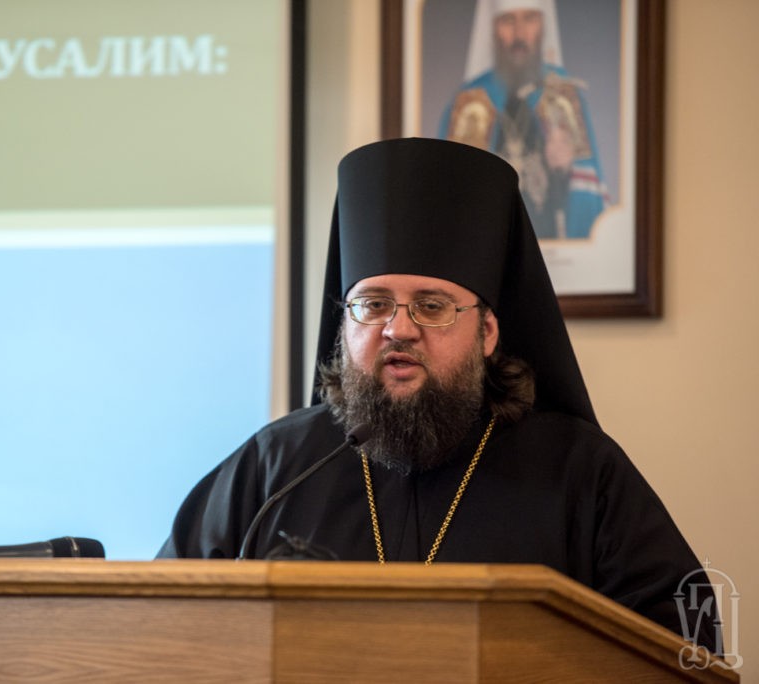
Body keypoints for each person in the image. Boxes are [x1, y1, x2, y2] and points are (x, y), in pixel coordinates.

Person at [157, 137, 718, 654]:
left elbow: (684, 641)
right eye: (373, 305)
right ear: (345, 323)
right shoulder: (279, 467)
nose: (398, 329)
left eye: (431, 306)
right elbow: (162, 618)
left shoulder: (578, 470)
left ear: (487, 333)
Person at [437, 0, 608, 239]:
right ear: (492, 29)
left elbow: (586, 202)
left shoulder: (564, 97)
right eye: (508, 21)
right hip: (489, 252)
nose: (519, 34)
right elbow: (450, 200)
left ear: (543, 26)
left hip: (552, 253)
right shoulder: (468, 102)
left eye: (529, 19)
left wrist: (566, 171)